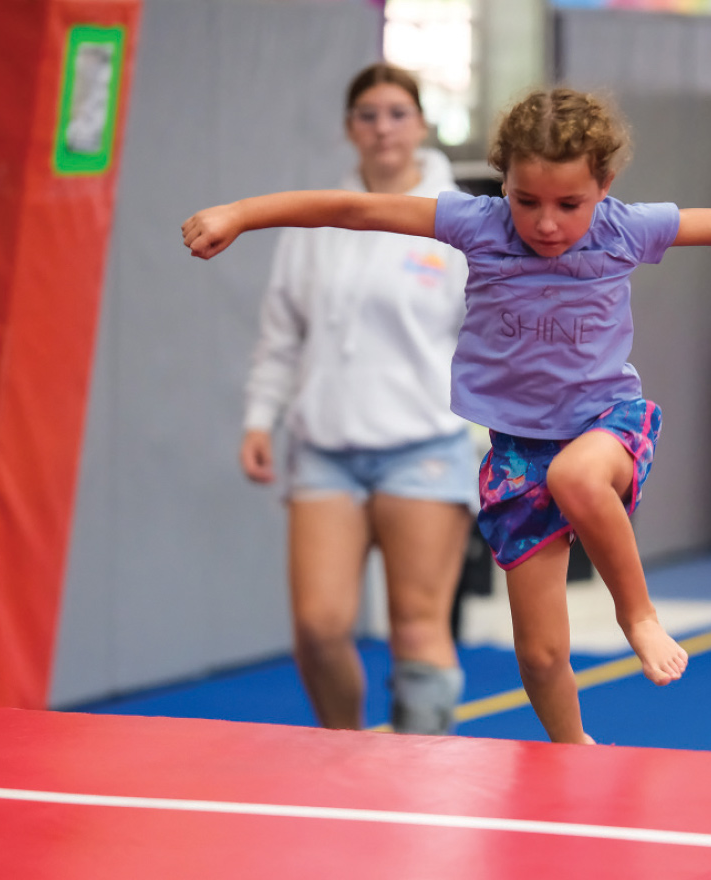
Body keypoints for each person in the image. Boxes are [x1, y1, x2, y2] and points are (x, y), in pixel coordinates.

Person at [183, 87, 711, 744]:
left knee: (575, 477)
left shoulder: (627, 228)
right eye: (525, 200)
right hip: (517, 452)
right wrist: (240, 213)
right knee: (538, 655)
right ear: (502, 180)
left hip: (607, 428)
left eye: (569, 204)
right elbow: (353, 210)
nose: (545, 223)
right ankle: (575, 753)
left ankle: (640, 615)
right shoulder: (476, 224)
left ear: (605, 183)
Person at [237, 63, 475, 736]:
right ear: (350, 129)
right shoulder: (314, 222)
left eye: (397, 112)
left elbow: (490, 341)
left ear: (421, 124)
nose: (383, 128)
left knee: (417, 626)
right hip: (325, 447)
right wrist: (261, 416)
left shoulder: (459, 224)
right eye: (368, 114)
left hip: (423, 446)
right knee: (318, 626)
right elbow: (282, 331)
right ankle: (344, 759)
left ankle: (420, 776)